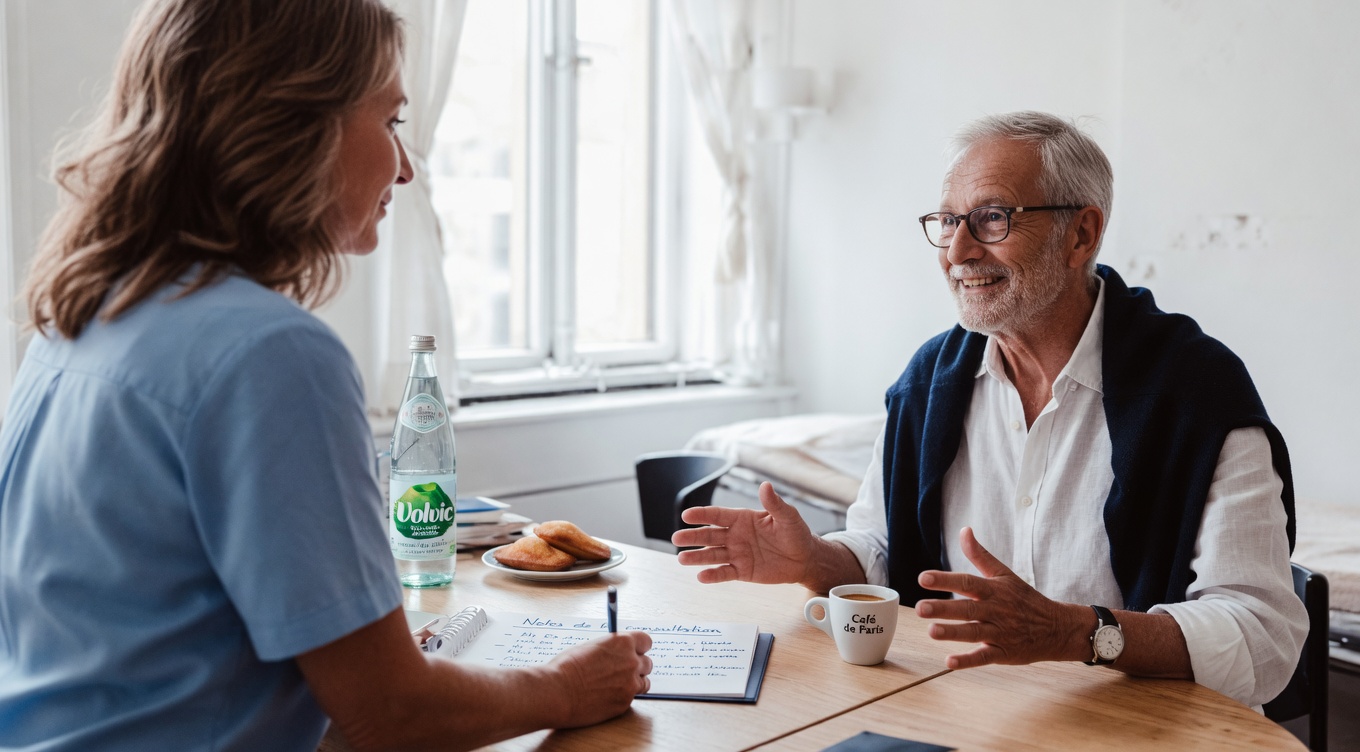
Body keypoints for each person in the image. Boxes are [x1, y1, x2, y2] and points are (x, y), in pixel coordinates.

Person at [0, 1, 650, 750]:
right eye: (392, 122)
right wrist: (566, 687)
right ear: (297, 124)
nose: (405, 167)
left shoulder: (80, 320)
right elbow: (391, 714)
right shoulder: (270, 354)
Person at [674, 111, 1306, 710]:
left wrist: (1077, 633)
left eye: (992, 219)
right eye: (949, 221)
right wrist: (813, 560)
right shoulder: (929, 381)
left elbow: (1261, 635)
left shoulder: (1197, 390)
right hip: (964, 714)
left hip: (1145, 727)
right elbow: (882, 547)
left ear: (1081, 234)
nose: (957, 251)